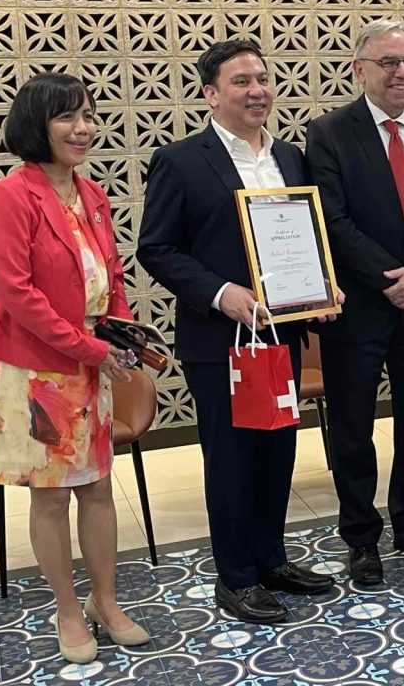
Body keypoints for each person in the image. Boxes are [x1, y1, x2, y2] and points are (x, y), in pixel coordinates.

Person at [138, 40, 334, 624]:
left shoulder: (291, 158)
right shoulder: (181, 160)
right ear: (211, 93)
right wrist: (223, 293)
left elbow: (304, 236)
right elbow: (156, 248)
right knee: (231, 457)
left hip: (280, 334)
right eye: (241, 81)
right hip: (219, 339)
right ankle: (237, 577)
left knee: (277, 450)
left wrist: (322, 286)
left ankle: (271, 559)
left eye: (263, 79)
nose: (257, 91)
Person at [0, 73, 150, 663]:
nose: (84, 129)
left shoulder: (91, 193)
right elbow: (19, 297)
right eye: (68, 117)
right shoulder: (9, 197)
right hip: (35, 373)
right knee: (51, 497)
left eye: (89, 116)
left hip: (89, 363)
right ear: (37, 125)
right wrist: (90, 348)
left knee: (98, 488)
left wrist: (121, 332)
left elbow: (112, 277)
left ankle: (106, 600)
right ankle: (67, 611)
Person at [305, 19, 404, 585]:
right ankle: (361, 538)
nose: (403, 72)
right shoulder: (328, 133)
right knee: (353, 428)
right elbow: (331, 219)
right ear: (359, 70)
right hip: (359, 308)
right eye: (389, 62)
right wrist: (388, 277)